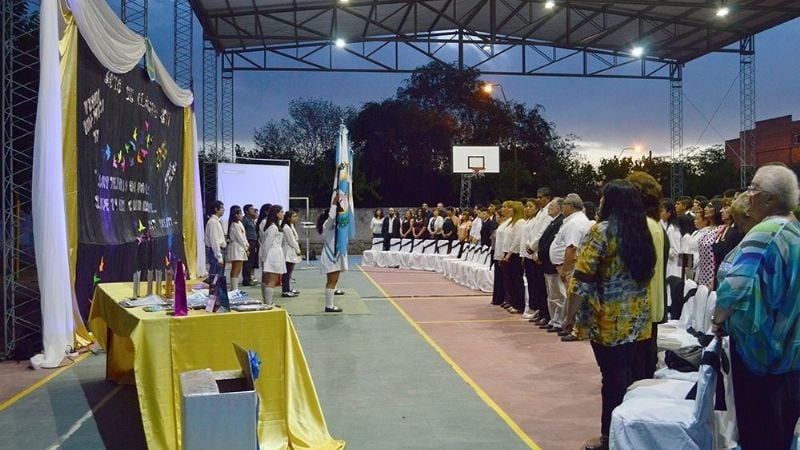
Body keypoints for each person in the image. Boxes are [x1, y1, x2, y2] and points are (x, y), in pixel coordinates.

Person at [563, 180, 656, 450]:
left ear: (611, 202)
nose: (600, 202)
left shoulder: (601, 231)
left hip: (608, 320)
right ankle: (633, 433)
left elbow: (581, 278)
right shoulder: (642, 231)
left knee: (612, 379)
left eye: (603, 198)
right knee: (632, 377)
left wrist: (569, 316)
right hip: (638, 320)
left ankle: (609, 437)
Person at [713, 165, 800, 450]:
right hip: (790, 353)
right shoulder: (794, 228)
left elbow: (734, 287)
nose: (748, 195)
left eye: (753, 189)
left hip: (762, 354)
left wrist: (717, 319)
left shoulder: (765, 232)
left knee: (760, 433)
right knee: (781, 431)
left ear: (770, 199)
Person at [317, 199, 347, 312]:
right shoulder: (327, 224)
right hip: (331, 255)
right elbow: (332, 217)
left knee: (333, 281)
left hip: (335, 255)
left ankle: (330, 305)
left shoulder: (333, 226)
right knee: (331, 281)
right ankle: (329, 306)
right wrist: (334, 205)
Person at [258, 204, 286, 308]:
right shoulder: (273, 227)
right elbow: (267, 243)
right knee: (271, 280)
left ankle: (267, 302)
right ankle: (268, 304)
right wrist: (264, 257)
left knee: (267, 280)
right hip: (273, 254)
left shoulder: (272, 226)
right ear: (276, 214)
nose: (283, 214)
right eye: (281, 212)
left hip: (273, 253)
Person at [225, 205, 249, 291]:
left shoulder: (240, 223)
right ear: (236, 215)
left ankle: (235, 288)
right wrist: (246, 247)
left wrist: (247, 245)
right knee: (235, 268)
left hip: (241, 247)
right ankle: (234, 288)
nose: (242, 215)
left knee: (238, 268)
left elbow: (244, 236)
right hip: (236, 247)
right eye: (240, 214)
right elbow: (239, 238)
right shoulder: (234, 225)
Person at [281, 210, 302, 298]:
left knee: (289, 271)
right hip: (288, 251)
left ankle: (288, 288)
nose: (296, 218)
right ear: (288, 218)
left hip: (291, 250)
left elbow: (295, 237)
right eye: (294, 216)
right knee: (286, 272)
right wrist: (297, 249)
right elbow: (291, 241)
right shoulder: (285, 227)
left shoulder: (291, 226)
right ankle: (285, 290)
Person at [204, 200, 226, 281]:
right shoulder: (213, 222)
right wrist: (219, 256)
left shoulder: (216, 221)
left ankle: (217, 293)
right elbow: (214, 240)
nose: (224, 210)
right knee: (215, 277)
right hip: (216, 252)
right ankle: (214, 293)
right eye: (222, 208)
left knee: (219, 276)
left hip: (219, 251)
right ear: (216, 209)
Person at [241, 204, 259, 286]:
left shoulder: (252, 219)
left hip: (254, 241)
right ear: (246, 211)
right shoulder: (245, 220)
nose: (253, 210)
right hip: (249, 241)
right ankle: (246, 279)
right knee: (248, 261)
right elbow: (243, 232)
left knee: (251, 260)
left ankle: (249, 278)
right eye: (251, 209)